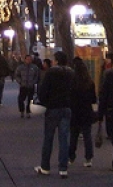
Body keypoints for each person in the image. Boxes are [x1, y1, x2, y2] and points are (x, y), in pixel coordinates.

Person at [34, 51, 74, 179]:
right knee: (64, 139)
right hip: (66, 107)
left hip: (53, 108)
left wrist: (43, 102)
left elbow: (43, 90)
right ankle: (63, 168)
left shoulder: (51, 73)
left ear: (56, 61)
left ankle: (45, 166)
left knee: (48, 138)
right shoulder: (71, 73)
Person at [68, 57, 97, 168]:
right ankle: (88, 158)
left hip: (75, 112)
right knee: (87, 136)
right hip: (86, 111)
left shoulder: (72, 82)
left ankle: (71, 157)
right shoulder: (90, 83)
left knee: (73, 136)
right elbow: (93, 99)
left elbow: (69, 97)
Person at [15, 54, 40, 118]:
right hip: (23, 86)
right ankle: (22, 111)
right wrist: (20, 81)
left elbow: (36, 76)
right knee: (21, 99)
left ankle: (28, 112)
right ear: (25, 60)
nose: (29, 61)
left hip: (31, 86)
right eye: (27, 59)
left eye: (30, 59)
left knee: (30, 100)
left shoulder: (34, 67)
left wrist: (34, 82)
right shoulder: (21, 67)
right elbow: (17, 75)